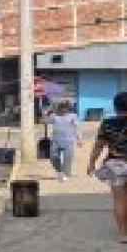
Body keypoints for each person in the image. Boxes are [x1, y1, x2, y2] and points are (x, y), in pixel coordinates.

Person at [86, 91, 127, 244]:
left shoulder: (108, 123)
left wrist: (91, 163)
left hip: (115, 165)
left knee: (119, 201)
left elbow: (99, 145)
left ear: (115, 107)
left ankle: (123, 234)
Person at [44, 100, 82, 181]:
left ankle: (66, 174)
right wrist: (46, 113)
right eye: (61, 108)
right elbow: (45, 121)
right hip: (56, 141)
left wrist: (79, 139)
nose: (63, 110)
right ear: (59, 108)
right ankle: (60, 171)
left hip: (69, 141)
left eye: (65, 108)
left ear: (68, 109)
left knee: (68, 158)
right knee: (53, 157)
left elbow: (77, 128)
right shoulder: (54, 116)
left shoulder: (73, 116)